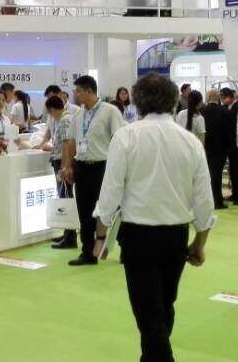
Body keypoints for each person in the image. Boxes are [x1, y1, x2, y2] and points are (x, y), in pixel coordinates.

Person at [92, 73, 215, 362]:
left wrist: (100, 235)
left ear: (137, 102)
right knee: (163, 305)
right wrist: (200, 242)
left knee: (148, 313)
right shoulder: (190, 142)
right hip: (176, 234)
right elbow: (204, 200)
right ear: (174, 101)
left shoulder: (126, 137)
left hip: (138, 236)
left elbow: (110, 192)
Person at [61, 75, 124, 266]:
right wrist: (68, 166)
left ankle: (125, 246)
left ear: (89, 91)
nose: (76, 94)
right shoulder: (77, 115)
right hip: (82, 167)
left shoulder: (110, 111)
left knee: (111, 208)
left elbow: (118, 140)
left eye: (78, 91)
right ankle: (88, 252)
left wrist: (118, 168)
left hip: (103, 167)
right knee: (84, 210)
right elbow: (71, 142)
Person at [35, 95, 77, 249]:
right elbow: (51, 134)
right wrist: (42, 144)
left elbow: (67, 144)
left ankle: (70, 236)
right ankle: (68, 232)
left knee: (65, 196)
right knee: (64, 195)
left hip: (62, 161)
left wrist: (65, 166)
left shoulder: (66, 119)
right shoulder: (57, 119)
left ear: (52, 109)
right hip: (58, 160)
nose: (48, 114)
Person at [202, 90, 230, 209]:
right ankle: (217, 201)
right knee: (216, 174)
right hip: (220, 148)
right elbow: (229, 131)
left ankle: (205, 200)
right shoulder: (225, 111)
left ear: (207, 97)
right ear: (218, 97)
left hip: (205, 147)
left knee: (204, 174)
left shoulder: (202, 111)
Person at [221, 88, 238, 206]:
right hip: (231, 146)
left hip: (237, 146)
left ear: (230, 97)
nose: (222, 100)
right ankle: (235, 193)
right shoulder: (227, 108)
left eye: (223, 97)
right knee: (233, 171)